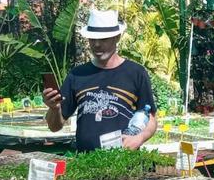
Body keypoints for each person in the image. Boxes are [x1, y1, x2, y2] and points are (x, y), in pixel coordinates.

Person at [43, 8, 158, 151]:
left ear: (117, 38)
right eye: (92, 39)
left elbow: (150, 117)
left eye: (103, 39)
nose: (97, 44)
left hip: (124, 158)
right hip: (85, 161)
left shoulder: (136, 73)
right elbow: (54, 126)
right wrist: (54, 108)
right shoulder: (77, 75)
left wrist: (139, 138)